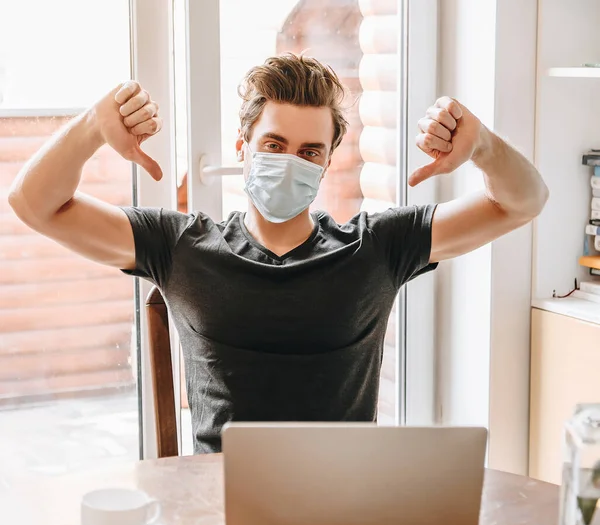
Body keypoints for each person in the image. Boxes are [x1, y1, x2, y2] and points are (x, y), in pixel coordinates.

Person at [9, 55, 548, 453]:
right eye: (274, 145)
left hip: (346, 505)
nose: (291, 161)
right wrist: (90, 129)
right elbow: (33, 204)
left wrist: (481, 146)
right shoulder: (181, 246)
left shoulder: (378, 245)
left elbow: (523, 202)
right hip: (217, 505)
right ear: (243, 148)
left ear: (328, 159)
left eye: (310, 151)